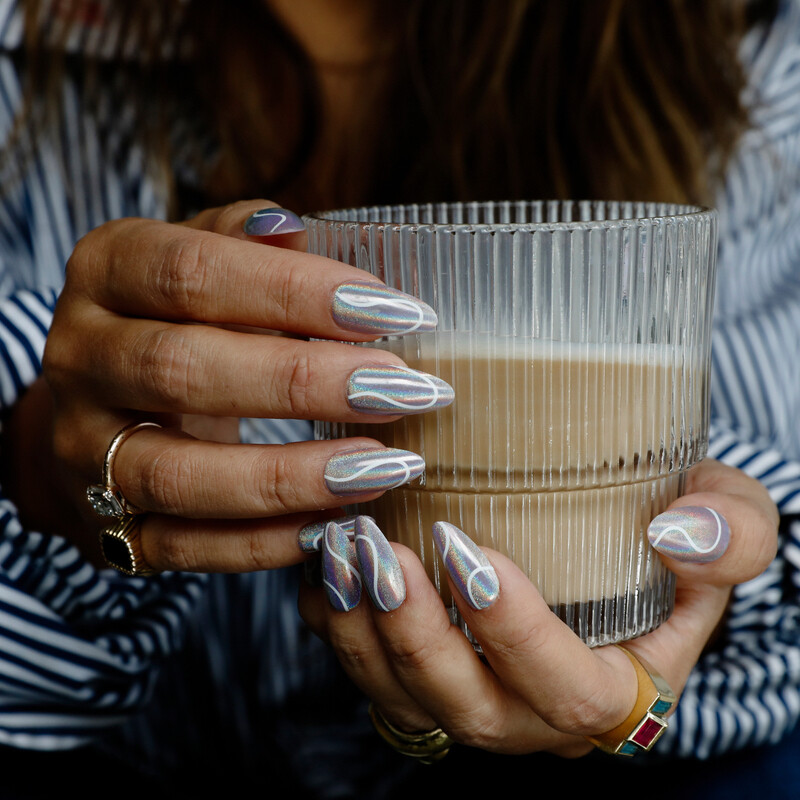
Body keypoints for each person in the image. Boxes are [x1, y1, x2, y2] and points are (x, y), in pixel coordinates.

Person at [0, 0, 797, 796]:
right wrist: (41, 466)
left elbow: (756, 509)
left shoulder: (743, 54)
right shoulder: (27, 52)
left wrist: (699, 598)